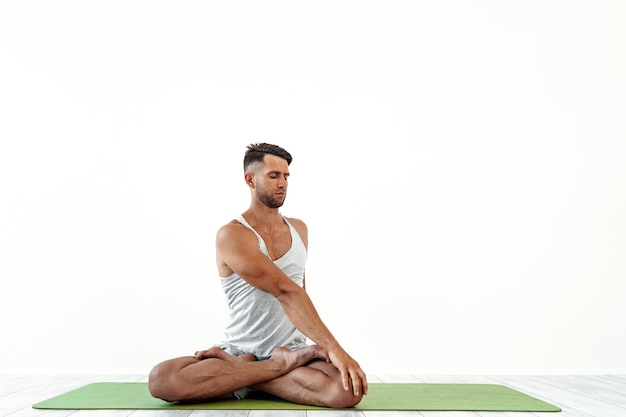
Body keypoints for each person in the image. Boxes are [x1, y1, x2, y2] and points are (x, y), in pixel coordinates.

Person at [148, 143, 367, 408]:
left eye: (286, 176)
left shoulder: (299, 229)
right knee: (162, 380)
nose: (282, 183)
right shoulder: (232, 234)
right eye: (273, 175)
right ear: (250, 179)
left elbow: (300, 292)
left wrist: (313, 352)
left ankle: (241, 375)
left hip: (292, 352)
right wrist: (334, 349)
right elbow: (284, 291)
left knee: (347, 391)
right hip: (241, 351)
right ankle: (269, 369)